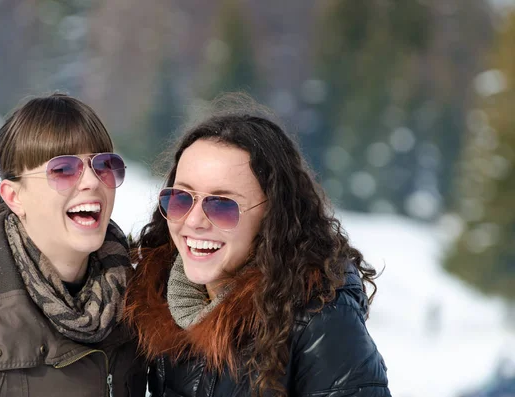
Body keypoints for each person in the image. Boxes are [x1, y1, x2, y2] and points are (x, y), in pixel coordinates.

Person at [125, 93, 391, 397]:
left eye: (222, 205)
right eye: (181, 198)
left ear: (272, 216)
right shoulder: (153, 305)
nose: (194, 220)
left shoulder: (319, 318)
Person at [0, 93, 146, 396]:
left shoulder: (137, 307)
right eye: (63, 169)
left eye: (103, 165)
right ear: (14, 197)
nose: (92, 181)